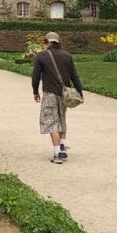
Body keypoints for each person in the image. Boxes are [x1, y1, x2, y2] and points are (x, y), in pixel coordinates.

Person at [31, 31, 83, 164]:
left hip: (49, 93)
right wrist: (80, 92)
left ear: (47, 42)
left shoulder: (41, 56)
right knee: (61, 119)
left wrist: (35, 91)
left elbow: (36, 77)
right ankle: (63, 147)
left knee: (51, 121)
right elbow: (74, 76)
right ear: (58, 42)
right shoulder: (67, 56)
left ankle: (57, 153)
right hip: (64, 94)